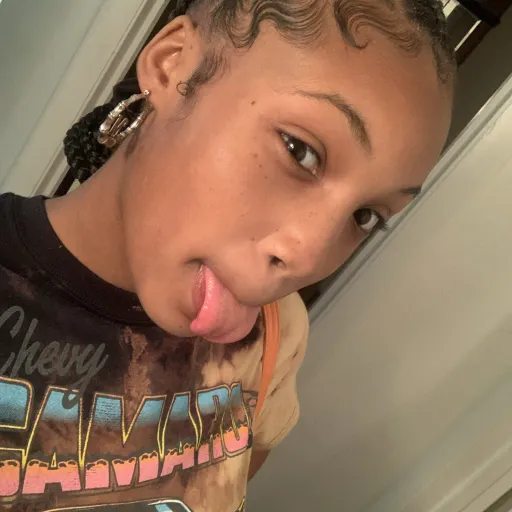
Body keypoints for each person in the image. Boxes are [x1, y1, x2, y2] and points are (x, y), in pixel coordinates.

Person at [0, 0, 455, 510]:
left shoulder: (278, 333)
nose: (308, 256)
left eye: (365, 215)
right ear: (172, 65)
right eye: (300, 150)